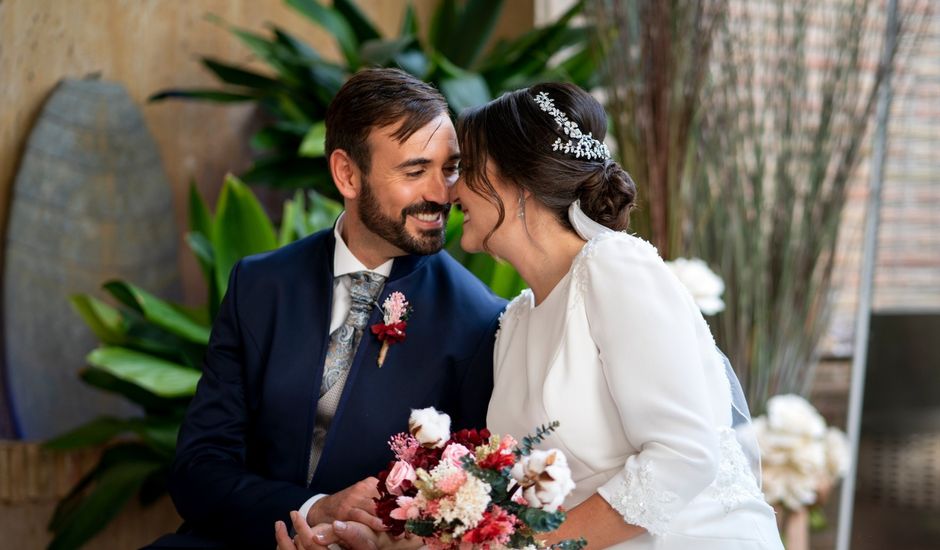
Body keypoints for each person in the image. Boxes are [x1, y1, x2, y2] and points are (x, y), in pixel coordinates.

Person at [153, 68, 506, 548]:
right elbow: (198, 471)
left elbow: (467, 507)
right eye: (414, 170)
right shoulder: (259, 286)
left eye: (449, 169)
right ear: (347, 173)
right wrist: (313, 509)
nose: (441, 193)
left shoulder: (478, 320)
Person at [448, 82, 785, 549]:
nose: (453, 189)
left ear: (517, 181)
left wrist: (532, 547)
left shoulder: (615, 268)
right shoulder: (516, 321)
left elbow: (684, 455)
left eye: (466, 168)